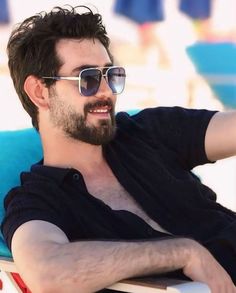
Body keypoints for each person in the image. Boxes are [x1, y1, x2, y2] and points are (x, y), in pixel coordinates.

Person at [1, 5, 236, 293]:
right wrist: (182, 252)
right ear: (40, 92)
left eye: (111, 75)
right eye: (87, 78)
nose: (106, 91)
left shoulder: (146, 131)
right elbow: (46, 272)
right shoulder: (39, 200)